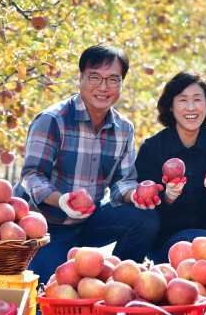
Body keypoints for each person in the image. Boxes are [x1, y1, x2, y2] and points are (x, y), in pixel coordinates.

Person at [13, 44, 160, 282]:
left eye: (113, 80)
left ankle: (119, 282)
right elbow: (32, 176)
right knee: (51, 290)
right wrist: (61, 199)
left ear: (121, 84)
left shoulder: (123, 129)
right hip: (48, 224)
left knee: (145, 219)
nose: (103, 87)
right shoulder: (52, 120)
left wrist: (134, 195)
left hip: (89, 220)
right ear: (80, 78)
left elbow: (123, 181)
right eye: (95, 77)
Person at [135, 70, 206, 264]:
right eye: (182, 100)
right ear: (171, 106)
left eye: (197, 99)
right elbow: (146, 211)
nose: (191, 107)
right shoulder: (152, 148)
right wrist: (169, 196)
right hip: (166, 240)